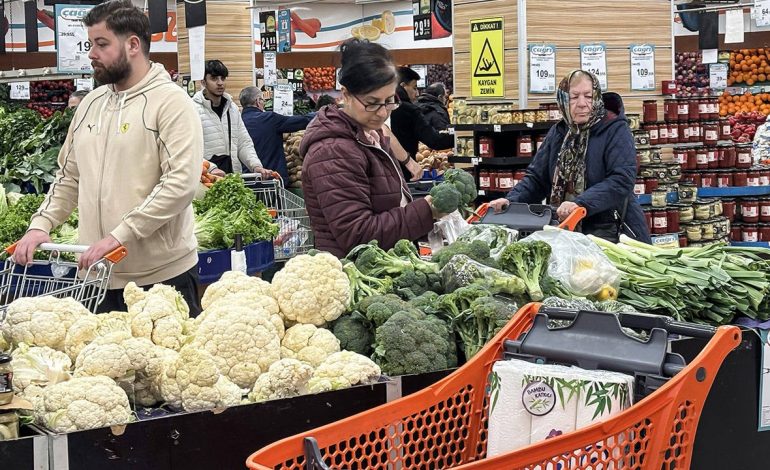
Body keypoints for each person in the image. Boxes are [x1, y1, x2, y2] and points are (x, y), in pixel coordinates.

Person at [12, 0, 205, 314]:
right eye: (91, 43)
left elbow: (180, 184)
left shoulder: (171, 103)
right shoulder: (91, 104)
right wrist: (41, 224)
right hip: (96, 276)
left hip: (160, 278)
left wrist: (119, 236)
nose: (91, 53)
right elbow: (69, 177)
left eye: (101, 44)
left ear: (132, 45)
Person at [299, 39, 444, 259]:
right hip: (356, 276)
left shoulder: (370, 134)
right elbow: (357, 235)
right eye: (372, 102)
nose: (382, 112)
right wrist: (426, 210)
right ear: (345, 94)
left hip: (381, 267)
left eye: (389, 101)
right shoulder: (332, 151)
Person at [489, 70, 650, 243]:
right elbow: (537, 179)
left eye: (588, 96)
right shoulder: (559, 132)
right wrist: (510, 201)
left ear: (596, 97)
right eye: (574, 97)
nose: (582, 103)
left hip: (611, 234)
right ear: (563, 100)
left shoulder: (615, 129)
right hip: (567, 231)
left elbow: (621, 179)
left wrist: (581, 203)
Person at [192, 59, 271, 178]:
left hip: (232, 177)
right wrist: (211, 168)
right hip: (205, 179)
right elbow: (189, 148)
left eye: (222, 78)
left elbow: (243, 142)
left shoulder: (232, 108)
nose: (220, 83)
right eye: (214, 78)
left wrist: (256, 166)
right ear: (203, 82)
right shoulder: (193, 109)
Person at [238, 86, 314, 182]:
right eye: (263, 100)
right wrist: (320, 114)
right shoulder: (269, 118)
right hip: (272, 180)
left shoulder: (237, 122)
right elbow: (301, 121)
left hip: (247, 180)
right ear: (258, 101)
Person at [390, 66, 454, 178]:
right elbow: (435, 140)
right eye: (414, 88)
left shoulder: (383, 109)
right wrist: (460, 136)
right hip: (404, 171)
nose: (417, 93)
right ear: (403, 86)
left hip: (382, 169)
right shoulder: (410, 110)